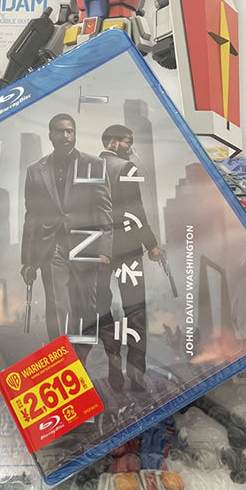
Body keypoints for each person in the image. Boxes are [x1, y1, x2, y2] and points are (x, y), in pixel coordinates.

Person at [21, 114, 112, 357]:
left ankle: (80, 357)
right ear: (50, 135)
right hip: (52, 248)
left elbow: (104, 209)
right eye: (61, 131)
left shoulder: (94, 164)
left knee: (87, 307)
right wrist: (28, 260)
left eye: (70, 131)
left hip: (86, 245)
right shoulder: (35, 170)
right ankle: (62, 359)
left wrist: (104, 250)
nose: (66, 136)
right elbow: (32, 216)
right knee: (57, 306)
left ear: (75, 134)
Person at [98, 124, 163, 391]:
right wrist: (152, 245)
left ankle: (114, 368)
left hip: (98, 252)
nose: (130, 147)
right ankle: (136, 377)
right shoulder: (126, 168)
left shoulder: (87, 167)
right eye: (127, 141)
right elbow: (135, 210)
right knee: (135, 312)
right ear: (113, 142)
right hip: (126, 249)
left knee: (101, 310)